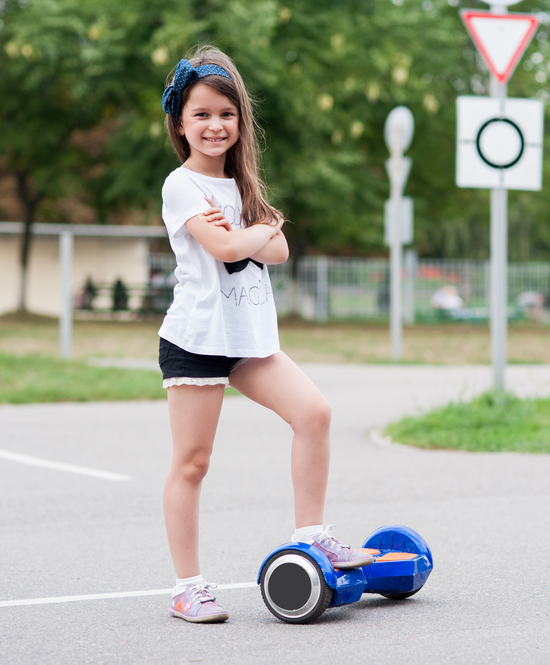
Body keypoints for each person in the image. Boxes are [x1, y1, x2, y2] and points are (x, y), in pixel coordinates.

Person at [157, 46, 374, 625]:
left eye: (225, 114)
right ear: (180, 122)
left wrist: (255, 229)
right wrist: (258, 229)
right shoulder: (182, 187)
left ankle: (313, 535)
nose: (214, 125)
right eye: (200, 114)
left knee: (315, 413)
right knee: (193, 463)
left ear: (240, 121)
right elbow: (233, 248)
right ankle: (188, 587)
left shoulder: (241, 185)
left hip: (249, 339)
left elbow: (277, 249)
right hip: (198, 338)